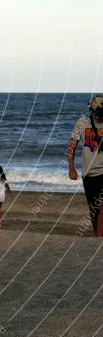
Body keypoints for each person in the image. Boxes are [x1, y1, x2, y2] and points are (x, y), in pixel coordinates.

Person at [68, 95, 103, 237]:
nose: (99, 116)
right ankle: (97, 236)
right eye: (97, 113)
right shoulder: (82, 123)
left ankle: (100, 239)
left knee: (102, 205)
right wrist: (71, 167)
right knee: (94, 210)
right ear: (91, 110)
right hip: (88, 173)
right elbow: (72, 146)